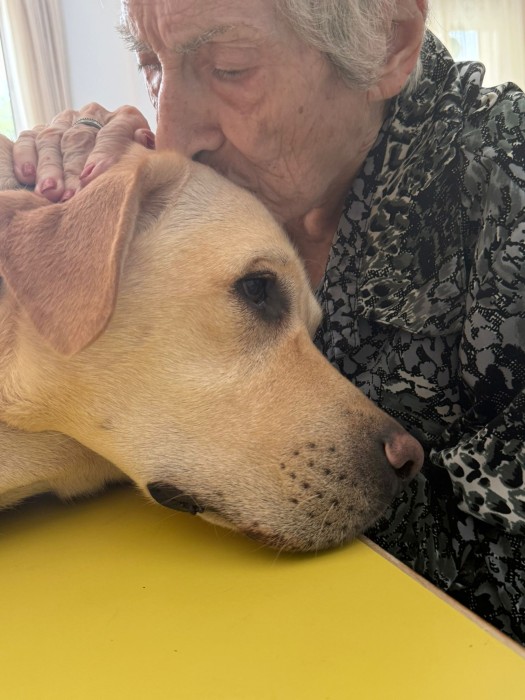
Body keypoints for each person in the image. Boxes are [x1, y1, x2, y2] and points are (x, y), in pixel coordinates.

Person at [6, 0, 525, 643]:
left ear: (390, 42)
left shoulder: (506, 193)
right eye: (151, 66)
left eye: (229, 67)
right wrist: (56, 186)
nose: (171, 132)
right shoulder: (234, 176)